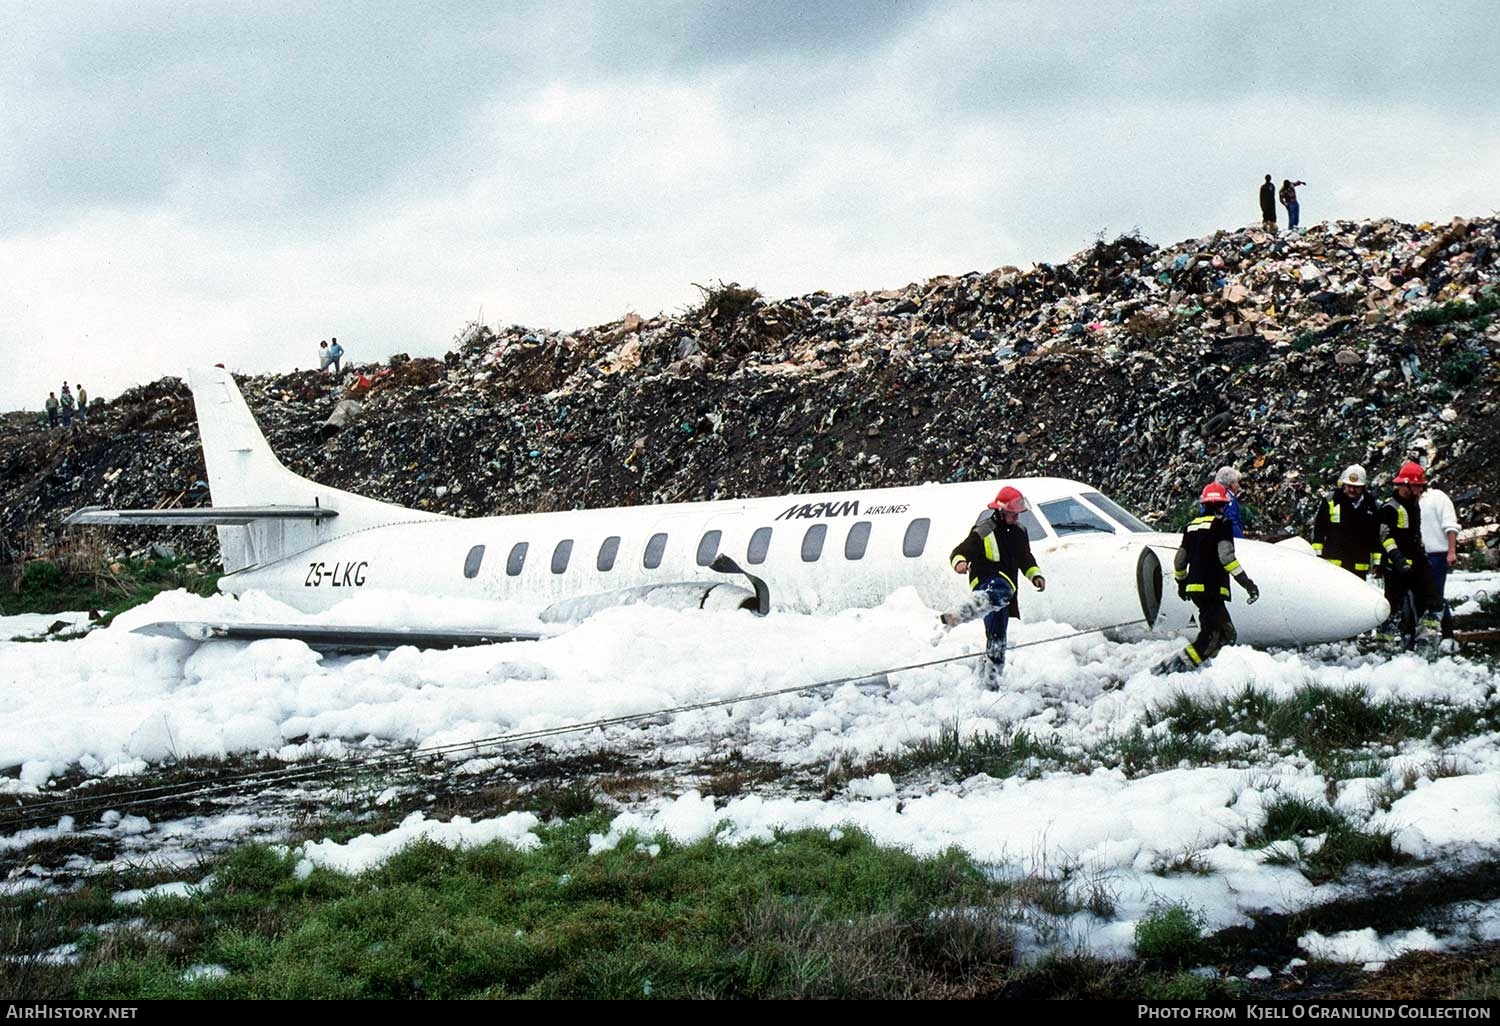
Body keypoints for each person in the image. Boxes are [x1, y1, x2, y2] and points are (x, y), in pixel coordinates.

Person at [944, 485, 1047, 686]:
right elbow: (961, 550)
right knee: (1002, 589)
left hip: (1003, 593)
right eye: (1012, 515)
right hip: (985, 582)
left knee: (997, 635)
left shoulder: (1020, 532)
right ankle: (962, 613)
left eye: (1018, 515)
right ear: (1000, 511)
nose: (1016, 518)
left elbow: (1025, 558)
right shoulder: (984, 530)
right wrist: (960, 562)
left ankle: (991, 679)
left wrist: (1035, 575)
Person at [1156, 482, 1260, 674]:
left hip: (1196, 590)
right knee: (1211, 636)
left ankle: (1212, 672)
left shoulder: (1191, 526)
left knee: (1227, 633)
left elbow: (1179, 560)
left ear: (1204, 504)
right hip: (1213, 589)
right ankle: (1176, 669)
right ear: (1223, 504)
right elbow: (1226, 557)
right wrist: (1247, 583)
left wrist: (1182, 583)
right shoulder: (1222, 525)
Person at [1377, 461, 1443, 646]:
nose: (1420, 490)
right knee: (1392, 608)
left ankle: (1425, 640)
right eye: (1417, 486)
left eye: (1422, 487)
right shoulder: (1389, 508)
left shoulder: (1414, 505)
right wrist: (1399, 561)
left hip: (1416, 563)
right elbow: (1385, 538)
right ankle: (1384, 645)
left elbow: (1415, 535)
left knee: (1433, 600)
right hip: (1396, 567)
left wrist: (1422, 559)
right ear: (1405, 485)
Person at [1310, 464, 1381, 579]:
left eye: (1356, 487)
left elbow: (1376, 538)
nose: (1352, 490)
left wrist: (1378, 563)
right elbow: (1319, 530)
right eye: (1349, 486)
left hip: (1359, 567)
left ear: (1363, 486)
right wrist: (1317, 556)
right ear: (1344, 484)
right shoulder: (1330, 500)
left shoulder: (1372, 506)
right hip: (1333, 565)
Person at [1419, 476, 1460, 645]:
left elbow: (1450, 526)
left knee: (1436, 596)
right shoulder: (1410, 502)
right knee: (1422, 597)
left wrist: (1451, 551)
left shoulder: (1437, 498)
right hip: (1419, 555)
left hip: (1437, 554)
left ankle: (1446, 635)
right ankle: (1425, 635)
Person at [1215, 466, 1245, 538]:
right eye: (1237, 482)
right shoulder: (1228, 498)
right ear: (1231, 483)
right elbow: (1232, 521)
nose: (1238, 486)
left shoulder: (1216, 495)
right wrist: (1241, 539)